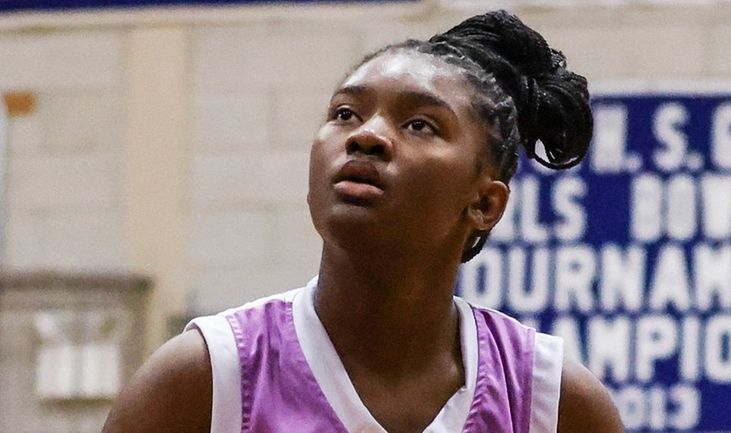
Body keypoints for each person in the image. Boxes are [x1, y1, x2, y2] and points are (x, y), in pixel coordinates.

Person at [102, 10, 624, 433]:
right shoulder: (203, 381)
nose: (366, 135)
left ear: (485, 204)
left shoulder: (551, 404)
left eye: (420, 124)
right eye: (345, 113)